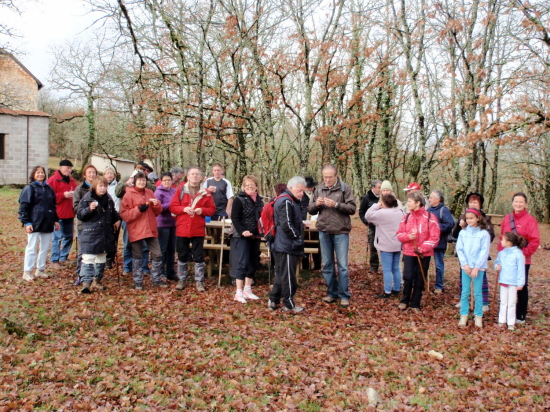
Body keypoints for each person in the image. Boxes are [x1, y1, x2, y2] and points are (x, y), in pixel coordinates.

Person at [307, 164, 356, 307]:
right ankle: (331, 293)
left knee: (342, 266)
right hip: (324, 231)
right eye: (324, 177)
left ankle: (344, 295)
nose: (327, 180)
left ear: (336, 176)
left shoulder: (344, 188)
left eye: (329, 177)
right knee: (327, 265)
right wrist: (316, 204)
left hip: (341, 231)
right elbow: (310, 210)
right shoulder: (319, 189)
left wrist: (336, 205)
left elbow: (352, 209)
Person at [170, 167, 215, 292]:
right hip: (182, 228)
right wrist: (183, 209)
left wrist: (202, 211)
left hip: (198, 229)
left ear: (200, 177)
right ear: (188, 176)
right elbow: (173, 207)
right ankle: (182, 279)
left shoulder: (206, 193)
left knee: (198, 256)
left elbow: (212, 209)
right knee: (182, 255)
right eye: (192, 174)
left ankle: (199, 281)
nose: (195, 176)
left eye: (197, 174)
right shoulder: (180, 190)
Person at [497, 192, 540, 324]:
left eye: (521, 202)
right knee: (505, 285)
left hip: (522, 259)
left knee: (521, 286)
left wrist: (524, 253)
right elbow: (502, 238)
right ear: (512, 202)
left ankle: (520, 314)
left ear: (525, 204)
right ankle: (504, 314)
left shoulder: (530, 220)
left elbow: (535, 240)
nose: (518, 204)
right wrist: (501, 253)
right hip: (507, 259)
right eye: (516, 201)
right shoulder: (507, 218)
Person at [119, 171, 165, 290]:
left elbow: (157, 212)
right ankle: (138, 281)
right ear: (135, 181)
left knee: (157, 254)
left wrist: (156, 205)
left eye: (143, 180)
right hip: (137, 229)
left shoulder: (150, 192)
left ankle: (156, 278)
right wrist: (139, 209)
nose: (141, 182)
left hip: (150, 228)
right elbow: (125, 214)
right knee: (137, 255)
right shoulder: (128, 195)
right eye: (139, 180)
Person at [396, 191, 440, 312]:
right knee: (408, 276)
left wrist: (422, 248)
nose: (408, 203)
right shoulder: (406, 217)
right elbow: (399, 234)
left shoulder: (430, 218)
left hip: (424, 254)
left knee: (420, 278)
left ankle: (415, 303)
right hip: (409, 252)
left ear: (418, 203)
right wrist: (407, 237)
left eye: (410, 201)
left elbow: (435, 237)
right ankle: (404, 300)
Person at [76, 176, 121, 293]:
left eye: (105, 186)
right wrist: (89, 209)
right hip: (90, 233)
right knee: (88, 258)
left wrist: (117, 219)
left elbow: (113, 212)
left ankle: (97, 280)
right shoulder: (87, 199)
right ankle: (86, 283)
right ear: (95, 186)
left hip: (105, 233)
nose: (103, 188)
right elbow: (80, 214)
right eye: (100, 186)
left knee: (101, 258)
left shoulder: (109, 199)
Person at [268, 176, 307, 313]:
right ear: (291, 187)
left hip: (283, 243)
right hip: (286, 244)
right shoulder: (286, 201)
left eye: (303, 191)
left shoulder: (289, 200)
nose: (302, 193)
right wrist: (297, 238)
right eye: (300, 190)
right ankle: (289, 304)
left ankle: (273, 300)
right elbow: (286, 224)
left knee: (281, 274)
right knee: (289, 276)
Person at [451, 193, 495, 311]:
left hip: (480, 254)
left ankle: (483, 302)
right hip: (465, 254)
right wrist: (461, 226)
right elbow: (455, 235)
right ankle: (463, 300)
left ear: (480, 204)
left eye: (475, 202)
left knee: (481, 278)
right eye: (471, 202)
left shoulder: (485, 218)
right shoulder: (463, 217)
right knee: (464, 277)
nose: (473, 204)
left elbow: (491, 235)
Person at [18, 166, 60, 281]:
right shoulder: (29, 188)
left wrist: (55, 220)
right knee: (31, 248)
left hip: (47, 222)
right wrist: (27, 222)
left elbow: (52, 206)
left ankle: (40, 269)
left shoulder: (49, 189)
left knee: (45, 247)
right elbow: (24, 207)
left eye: (42, 172)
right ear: (33, 174)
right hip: (34, 222)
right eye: (38, 172)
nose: (40, 174)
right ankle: (27, 271)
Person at [116, 162, 155, 275]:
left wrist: (143, 180)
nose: (144, 172)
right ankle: (127, 266)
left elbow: (152, 190)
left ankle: (143, 267)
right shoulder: (126, 178)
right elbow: (118, 192)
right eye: (142, 170)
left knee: (144, 245)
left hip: (145, 217)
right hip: (130, 215)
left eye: (147, 171)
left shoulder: (149, 181)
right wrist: (131, 181)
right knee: (128, 242)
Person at [230, 175, 264, 303]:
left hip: (256, 235)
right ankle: (238, 292)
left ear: (256, 186)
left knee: (253, 262)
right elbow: (235, 217)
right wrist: (243, 230)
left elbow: (262, 216)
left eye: (252, 184)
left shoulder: (259, 200)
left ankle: (247, 289)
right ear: (244, 186)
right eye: (247, 185)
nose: (249, 187)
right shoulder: (239, 199)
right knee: (242, 262)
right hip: (242, 235)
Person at [365, 194, 405, 298]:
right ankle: (396, 288)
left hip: (385, 245)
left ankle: (387, 291)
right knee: (395, 267)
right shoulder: (401, 212)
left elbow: (367, 215)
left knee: (387, 269)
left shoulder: (381, 213)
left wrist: (376, 205)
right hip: (397, 243)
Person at [456, 208, 491, 328]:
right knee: (465, 292)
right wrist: (465, 265)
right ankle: (463, 315)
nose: (469, 220)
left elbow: (484, 251)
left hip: (478, 268)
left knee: (477, 293)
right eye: (467, 218)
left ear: (478, 218)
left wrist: (477, 267)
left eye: (472, 218)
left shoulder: (484, 233)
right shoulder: (463, 232)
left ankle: (478, 316)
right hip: (466, 267)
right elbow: (459, 249)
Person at [47, 159, 77, 269]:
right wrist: (62, 195)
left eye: (70, 168)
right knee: (57, 238)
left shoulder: (72, 181)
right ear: (61, 168)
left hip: (69, 213)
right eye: (67, 168)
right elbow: (48, 197)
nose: (69, 170)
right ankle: (54, 260)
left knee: (69, 236)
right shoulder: (53, 180)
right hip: (57, 214)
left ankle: (63, 257)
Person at [495, 232, 526, 331]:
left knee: (511, 303)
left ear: (508, 242)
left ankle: (511, 322)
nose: (501, 241)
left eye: (503, 240)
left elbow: (521, 269)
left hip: (513, 282)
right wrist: (497, 266)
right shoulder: (501, 253)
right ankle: (501, 320)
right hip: (503, 280)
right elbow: (496, 263)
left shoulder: (518, 254)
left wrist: (520, 283)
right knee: (503, 301)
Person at [426, 190, 455, 293]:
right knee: (425, 264)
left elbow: (449, 224)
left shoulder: (444, 210)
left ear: (438, 199)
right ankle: (423, 283)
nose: (429, 199)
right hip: (428, 243)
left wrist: (435, 228)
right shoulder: (428, 210)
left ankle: (439, 285)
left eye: (431, 197)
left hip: (439, 243)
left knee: (439, 265)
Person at [73, 164, 98, 281]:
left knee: (96, 252)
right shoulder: (79, 189)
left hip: (97, 225)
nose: (92, 175)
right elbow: (76, 207)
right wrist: (89, 209)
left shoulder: (99, 189)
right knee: (83, 251)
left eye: (93, 172)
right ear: (84, 175)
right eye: (89, 173)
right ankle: (81, 275)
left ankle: (93, 276)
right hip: (83, 224)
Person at [155, 172, 177, 281]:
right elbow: (159, 207)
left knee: (171, 249)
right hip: (162, 224)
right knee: (162, 249)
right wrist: (171, 204)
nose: (167, 182)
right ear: (161, 181)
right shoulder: (158, 192)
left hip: (173, 223)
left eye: (169, 180)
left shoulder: (174, 191)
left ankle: (170, 271)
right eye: (165, 180)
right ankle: (160, 272)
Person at [359, 180, 382, 272]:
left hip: (383, 226)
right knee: (372, 247)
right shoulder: (366, 198)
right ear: (373, 187)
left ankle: (385, 266)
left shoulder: (384, 197)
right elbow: (361, 212)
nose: (380, 190)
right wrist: (366, 222)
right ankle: (374, 266)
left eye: (381, 187)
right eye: (379, 187)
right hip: (372, 227)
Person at [301, 176, 321, 271]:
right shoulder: (300, 195)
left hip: (316, 222)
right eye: (308, 187)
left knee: (317, 244)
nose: (309, 189)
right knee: (305, 244)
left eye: (311, 187)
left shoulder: (318, 194)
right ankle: (305, 266)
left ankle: (317, 266)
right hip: (304, 223)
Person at [104, 166, 121, 269]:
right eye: (107, 173)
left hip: (116, 214)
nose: (109, 175)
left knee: (114, 238)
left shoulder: (118, 186)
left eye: (111, 173)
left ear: (114, 175)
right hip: (104, 216)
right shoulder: (101, 186)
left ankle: (110, 258)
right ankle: (104, 257)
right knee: (105, 238)